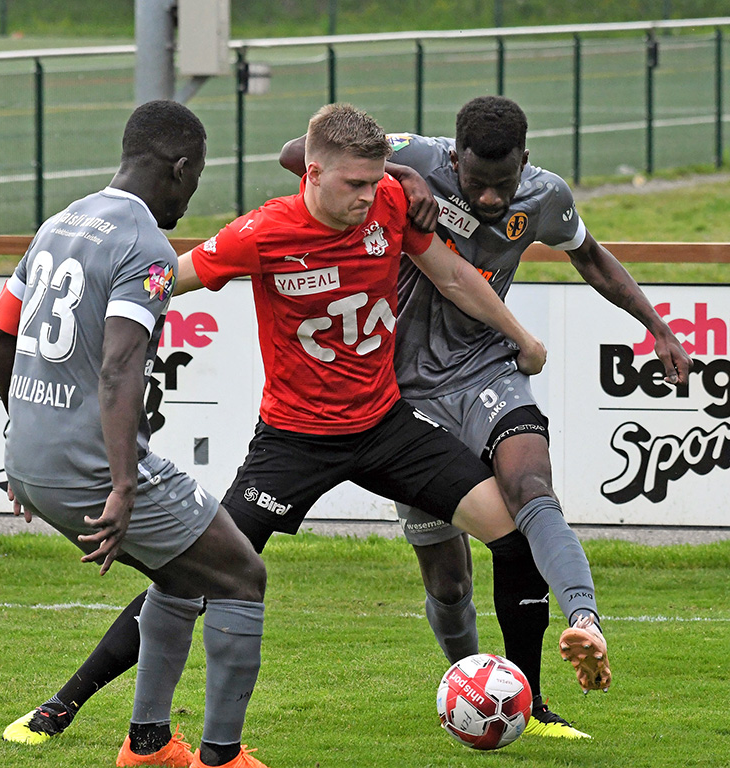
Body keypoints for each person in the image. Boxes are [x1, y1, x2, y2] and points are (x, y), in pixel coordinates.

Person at [0, 103, 585, 751]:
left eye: (377, 180)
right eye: (355, 185)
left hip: (386, 425)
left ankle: (528, 702)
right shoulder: (262, 232)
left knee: (512, 535)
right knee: (195, 575)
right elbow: (169, 278)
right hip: (293, 441)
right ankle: (62, 703)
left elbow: (451, 275)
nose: (371, 195)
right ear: (311, 174)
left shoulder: (390, 201)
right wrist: (85, 303)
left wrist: (523, 339)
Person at [280, 94, 694, 738]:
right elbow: (294, 155)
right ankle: (474, 690)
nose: (493, 200)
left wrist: (657, 327)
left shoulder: (545, 196)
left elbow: (592, 258)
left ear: (525, 162)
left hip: (487, 372)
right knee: (447, 580)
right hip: (403, 397)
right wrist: (397, 174)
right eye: (477, 185)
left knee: (531, 491)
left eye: (505, 185)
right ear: (454, 157)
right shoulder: (416, 159)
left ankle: (580, 626)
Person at [0, 100, 270, 768]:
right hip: (87, 466)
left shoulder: (58, 223)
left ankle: (147, 746)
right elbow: (118, 365)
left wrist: (23, 437)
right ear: (180, 165)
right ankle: (221, 758)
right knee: (241, 576)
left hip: (29, 458)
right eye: (196, 175)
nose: (193, 190)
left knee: (181, 578)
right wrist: (122, 485)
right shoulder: (144, 242)